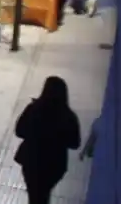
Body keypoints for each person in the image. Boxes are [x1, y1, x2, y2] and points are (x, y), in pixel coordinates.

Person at [14, 76, 81, 204]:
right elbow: (75, 143)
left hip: (31, 160)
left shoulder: (33, 109)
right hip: (54, 164)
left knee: (34, 193)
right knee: (43, 194)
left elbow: (19, 131)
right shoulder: (68, 116)